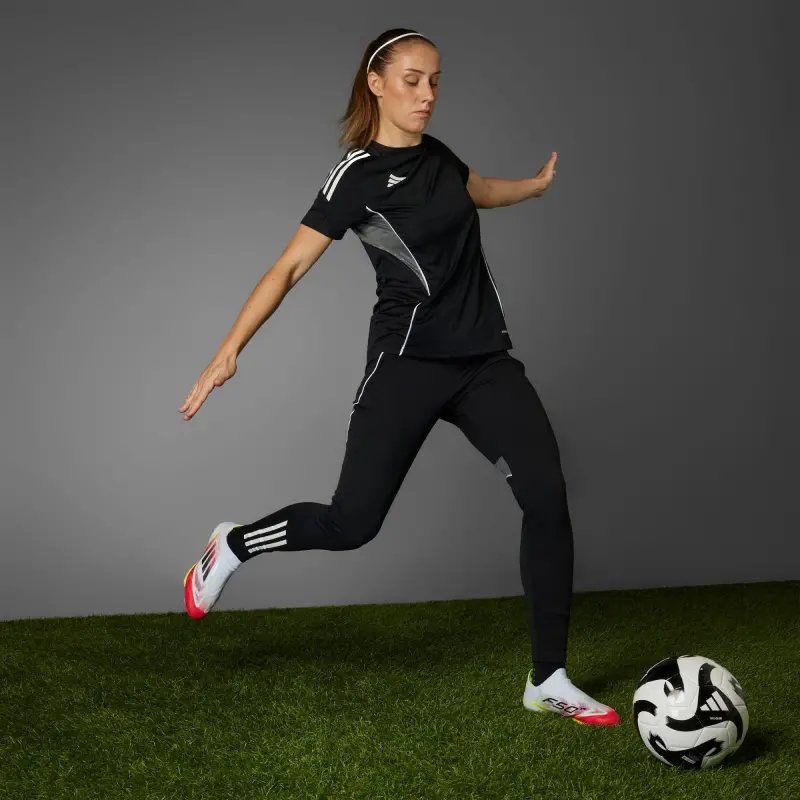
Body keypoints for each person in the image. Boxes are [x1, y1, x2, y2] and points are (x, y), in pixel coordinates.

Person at [178, 28, 620, 727]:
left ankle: (549, 678)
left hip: (483, 361)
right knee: (352, 523)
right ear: (376, 83)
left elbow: (477, 191)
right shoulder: (356, 175)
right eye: (413, 80)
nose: (427, 94)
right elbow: (289, 266)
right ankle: (233, 543)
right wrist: (229, 349)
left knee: (546, 496)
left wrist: (532, 188)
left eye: (435, 81)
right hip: (407, 364)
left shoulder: (439, 157)